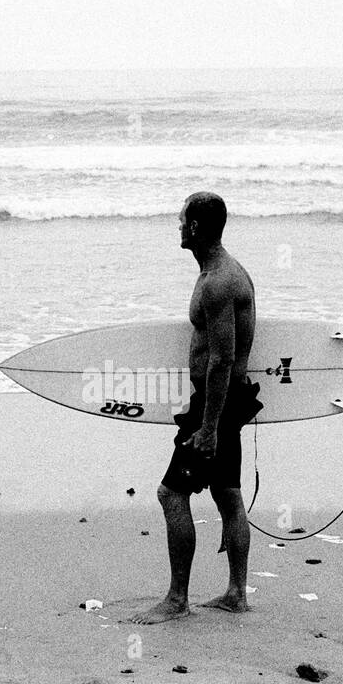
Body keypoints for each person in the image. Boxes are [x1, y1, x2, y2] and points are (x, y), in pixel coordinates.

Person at [129, 192, 262, 624]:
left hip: (215, 406)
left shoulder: (219, 282)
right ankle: (237, 593)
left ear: (196, 228)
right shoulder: (220, 273)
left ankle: (177, 599)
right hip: (224, 401)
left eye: (181, 219)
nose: (177, 225)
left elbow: (223, 358)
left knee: (172, 494)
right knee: (227, 493)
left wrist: (208, 427)